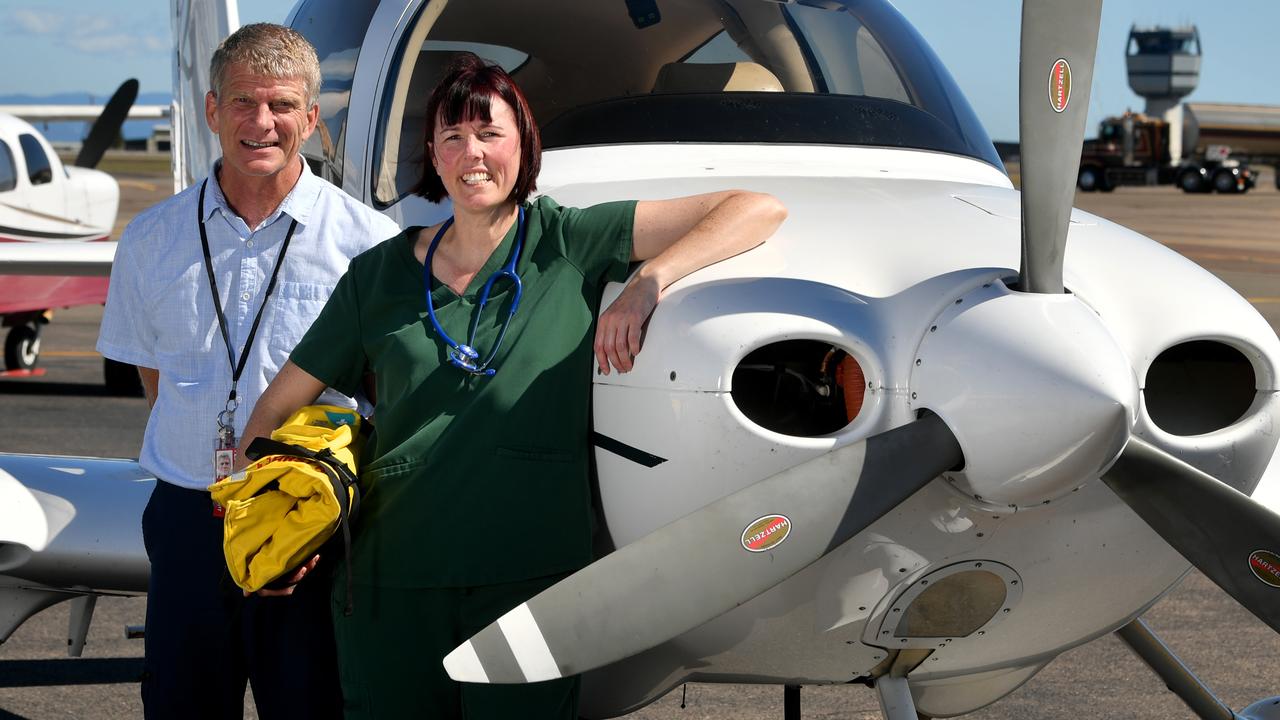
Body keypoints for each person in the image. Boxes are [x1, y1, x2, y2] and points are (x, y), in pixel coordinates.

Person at [239, 52, 786, 719]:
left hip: (529, 589)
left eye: (490, 133)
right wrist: (264, 526)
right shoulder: (377, 276)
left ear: (524, 146)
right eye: (453, 137)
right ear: (433, 158)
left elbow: (756, 209)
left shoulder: (568, 240)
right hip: (390, 586)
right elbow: (272, 411)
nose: (473, 152)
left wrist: (650, 279)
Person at [96, 23, 400, 720]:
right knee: (180, 704)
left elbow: (383, 393)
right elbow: (155, 378)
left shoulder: (368, 246)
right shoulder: (150, 240)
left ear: (311, 117)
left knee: (311, 704)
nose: (262, 123)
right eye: (242, 102)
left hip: (312, 525)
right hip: (187, 516)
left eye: (283, 106)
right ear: (210, 111)